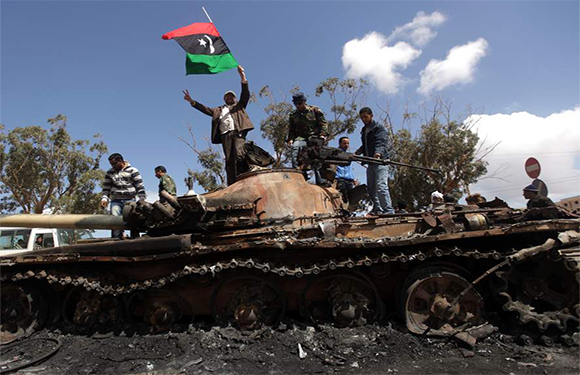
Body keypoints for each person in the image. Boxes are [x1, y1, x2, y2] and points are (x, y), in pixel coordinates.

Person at [183, 65, 254, 186]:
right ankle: (231, 184)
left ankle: (245, 178)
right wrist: (192, 101)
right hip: (225, 136)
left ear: (235, 98)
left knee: (240, 154)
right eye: (227, 96)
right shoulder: (218, 110)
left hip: (238, 133)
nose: (229, 97)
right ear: (224, 99)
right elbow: (205, 109)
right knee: (229, 161)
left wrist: (242, 76)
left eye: (231, 96)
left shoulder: (239, 107)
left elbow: (245, 93)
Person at [354, 107, 393, 215]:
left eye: (365, 117)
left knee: (381, 187)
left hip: (380, 162)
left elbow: (380, 142)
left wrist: (378, 153)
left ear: (371, 115)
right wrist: (359, 151)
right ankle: (378, 209)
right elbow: (366, 145)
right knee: (371, 189)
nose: (364, 119)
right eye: (361, 118)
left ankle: (388, 210)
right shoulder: (364, 130)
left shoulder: (378, 128)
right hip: (370, 162)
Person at [101, 153, 146, 239]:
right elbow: (106, 187)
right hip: (116, 201)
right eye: (111, 164)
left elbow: (139, 186)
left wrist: (142, 198)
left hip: (130, 201)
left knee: (133, 221)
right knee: (115, 221)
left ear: (121, 161)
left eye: (114, 164)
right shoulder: (110, 172)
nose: (113, 166)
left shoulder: (133, 170)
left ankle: (135, 240)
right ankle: (116, 240)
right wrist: (104, 198)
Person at [286, 92, 329, 172]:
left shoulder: (315, 110)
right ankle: (297, 172)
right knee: (295, 148)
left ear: (304, 101)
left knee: (316, 156)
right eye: (295, 104)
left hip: (315, 137)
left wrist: (322, 135)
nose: (297, 105)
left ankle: (320, 179)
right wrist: (290, 139)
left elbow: (323, 123)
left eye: (299, 103)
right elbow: (291, 129)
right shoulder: (293, 115)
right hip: (301, 138)